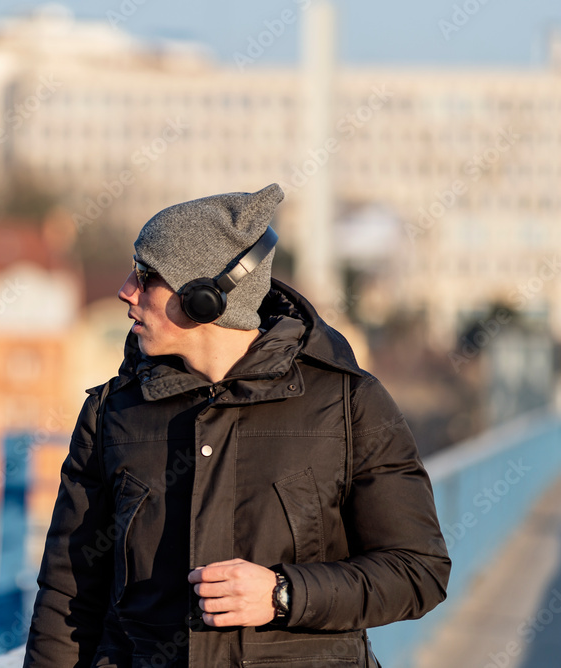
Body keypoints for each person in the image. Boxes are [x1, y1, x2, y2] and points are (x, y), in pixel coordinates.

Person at [23, 184, 450, 667]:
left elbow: (418, 571)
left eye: (146, 275)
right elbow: (67, 597)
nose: (126, 290)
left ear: (206, 298)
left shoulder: (350, 404)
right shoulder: (110, 415)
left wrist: (284, 594)